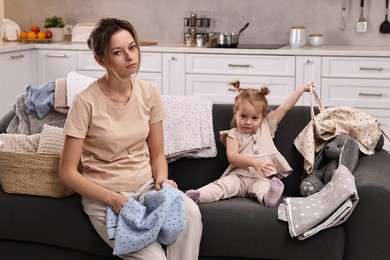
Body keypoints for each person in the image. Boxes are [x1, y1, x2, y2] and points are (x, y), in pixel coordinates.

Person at [59, 18, 202, 260]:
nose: (130, 57)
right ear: (100, 60)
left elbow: (157, 153)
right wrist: (113, 198)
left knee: (191, 213)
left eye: (132, 47)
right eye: (118, 52)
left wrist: (163, 179)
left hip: (146, 189)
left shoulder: (149, 93)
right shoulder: (84, 103)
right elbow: (67, 172)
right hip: (106, 197)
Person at [186, 80, 313, 207]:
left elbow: (285, 107)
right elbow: (232, 157)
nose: (248, 122)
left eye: (254, 118)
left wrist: (301, 89)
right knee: (222, 186)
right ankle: (198, 195)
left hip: (260, 178)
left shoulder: (266, 127)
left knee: (264, 187)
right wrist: (255, 162)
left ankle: (269, 197)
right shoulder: (232, 134)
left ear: (262, 118)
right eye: (243, 116)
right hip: (238, 177)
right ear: (235, 113)